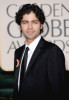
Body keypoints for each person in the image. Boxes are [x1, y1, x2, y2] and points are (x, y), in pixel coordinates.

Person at [14, 3, 66, 99]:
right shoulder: (18, 52)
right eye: (25, 22)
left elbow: (58, 92)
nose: (30, 27)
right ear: (20, 26)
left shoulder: (53, 51)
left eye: (34, 22)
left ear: (41, 25)